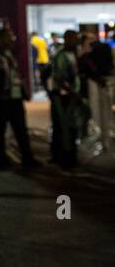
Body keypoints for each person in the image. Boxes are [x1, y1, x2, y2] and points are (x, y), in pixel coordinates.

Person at [0, 27, 36, 170]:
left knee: (21, 129)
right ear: (0, 38)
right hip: (0, 99)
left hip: (15, 98)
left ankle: (27, 158)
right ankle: (1, 159)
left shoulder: (9, 54)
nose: (12, 40)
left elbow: (15, 75)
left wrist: (23, 91)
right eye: (9, 37)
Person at [49, 30, 83, 169]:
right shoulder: (62, 55)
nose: (77, 41)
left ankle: (63, 156)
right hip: (63, 97)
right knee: (65, 127)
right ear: (68, 39)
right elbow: (59, 78)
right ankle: (65, 158)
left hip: (68, 96)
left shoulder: (72, 54)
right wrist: (73, 92)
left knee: (66, 126)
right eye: (74, 38)